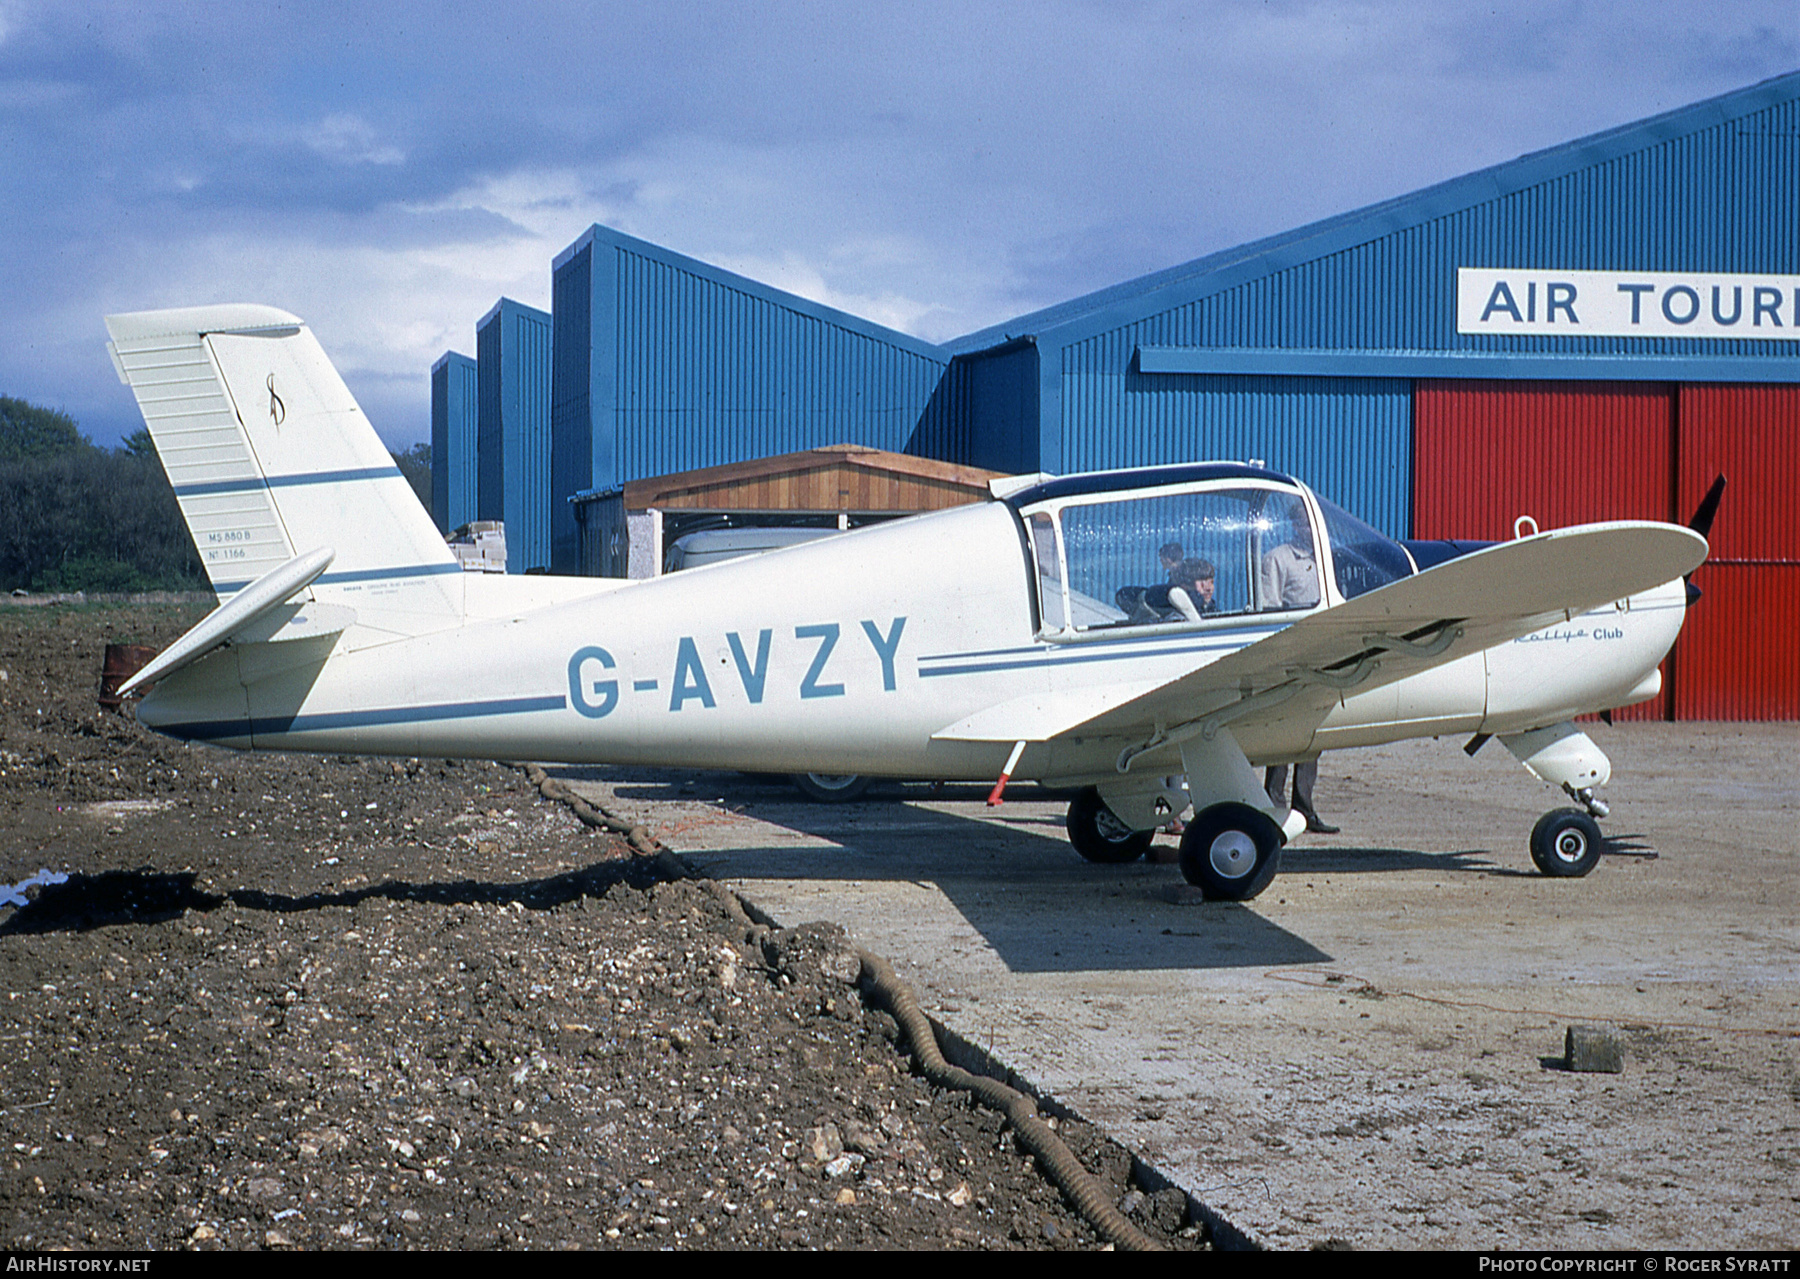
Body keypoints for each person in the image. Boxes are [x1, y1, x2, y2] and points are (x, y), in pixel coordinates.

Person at [1259, 507, 1337, 832]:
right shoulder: (1278, 558)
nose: (1307, 528)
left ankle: (1305, 810)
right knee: (1284, 731)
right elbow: (1269, 607)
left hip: (1319, 654)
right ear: (1293, 524)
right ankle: (1273, 807)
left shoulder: (1324, 557)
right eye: (1301, 522)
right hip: (1290, 657)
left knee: (1312, 731)